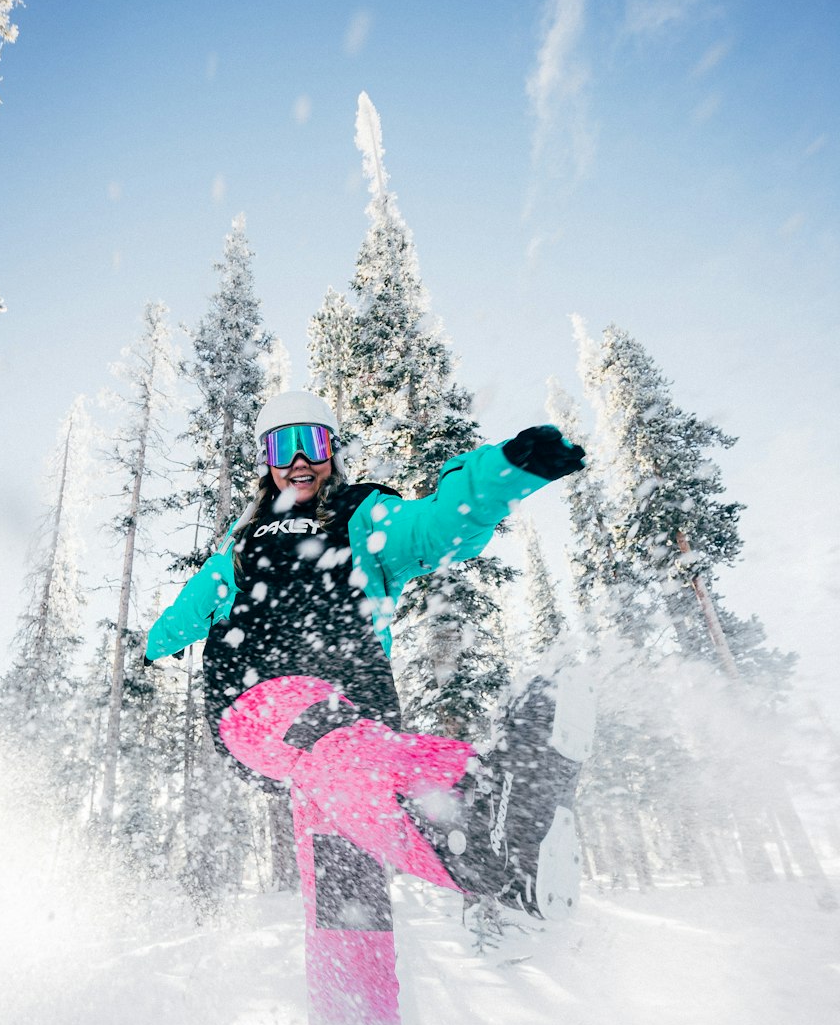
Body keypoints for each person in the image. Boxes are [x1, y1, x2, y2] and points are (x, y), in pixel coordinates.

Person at [144, 390, 588, 922]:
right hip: (256, 699)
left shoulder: (363, 517)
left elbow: (437, 524)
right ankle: (486, 853)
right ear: (267, 460)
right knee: (335, 745)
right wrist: (155, 645)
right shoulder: (242, 543)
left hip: (357, 708)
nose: (299, 461)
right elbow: (194, 602)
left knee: (361, 817)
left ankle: (509, 805)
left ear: (331, 449)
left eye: (311, 442)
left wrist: (505, 472)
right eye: (283, 447)